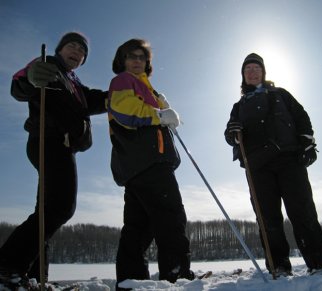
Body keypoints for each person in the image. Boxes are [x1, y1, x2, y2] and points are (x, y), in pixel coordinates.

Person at [0, 32, 108, 288]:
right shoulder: (47, 64)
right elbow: (21, 84)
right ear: (60, 49)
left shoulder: (74, 83)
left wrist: (119, 96)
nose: (77, 52)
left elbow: (93, 99)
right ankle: (7, 265)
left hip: (61, 146)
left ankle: (35, 277)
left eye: (82, 52)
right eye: (72, 46)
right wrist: (30, 78)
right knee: (61, 206)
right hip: (48, 141)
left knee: (46, 212)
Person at [224, 53, 322, 277]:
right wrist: (233, 133)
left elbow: (302, 117)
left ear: (263, 72)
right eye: (248, 70)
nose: (252, 72)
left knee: (302, 212)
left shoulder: (281, 94)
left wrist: (307, 143)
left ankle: (320, 266)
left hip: (289, 159)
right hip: (257, 167)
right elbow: (229, 135)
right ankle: (279, 267)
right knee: (267, 219)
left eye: (256, 68)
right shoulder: (238, 106)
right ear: (243, 77)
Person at [107, 39, 194, 289]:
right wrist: (159, 114)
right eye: (131, 56)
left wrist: (160, 104)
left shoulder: (144, 86)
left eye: (141, 57)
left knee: (139, 227)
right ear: (122, 60)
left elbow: (139, 110)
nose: (136, 61)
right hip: (148, 161)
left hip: (135, 166)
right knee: (170, 217)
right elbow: (125, 111)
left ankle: (131, 280)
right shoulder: (123, 81)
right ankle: (176, 275)